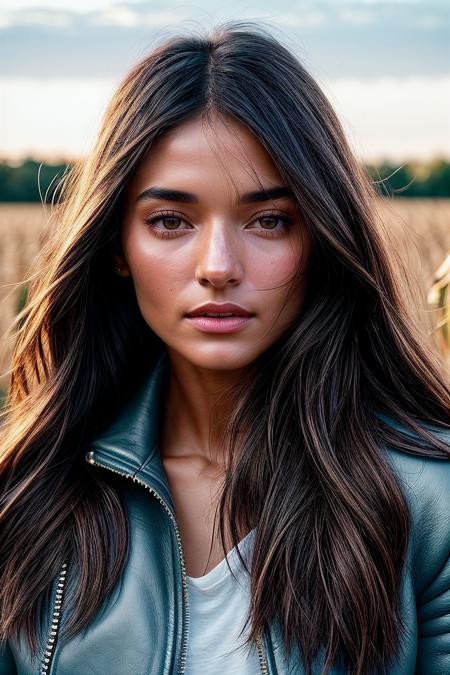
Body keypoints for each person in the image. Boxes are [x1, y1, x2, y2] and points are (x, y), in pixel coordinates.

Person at [0, 21, 449, 675]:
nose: (217, 265)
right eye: (170, 221)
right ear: (117, 246)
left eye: (269, 219)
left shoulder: (431, 501)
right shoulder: (28, 496)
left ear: (320, 237)